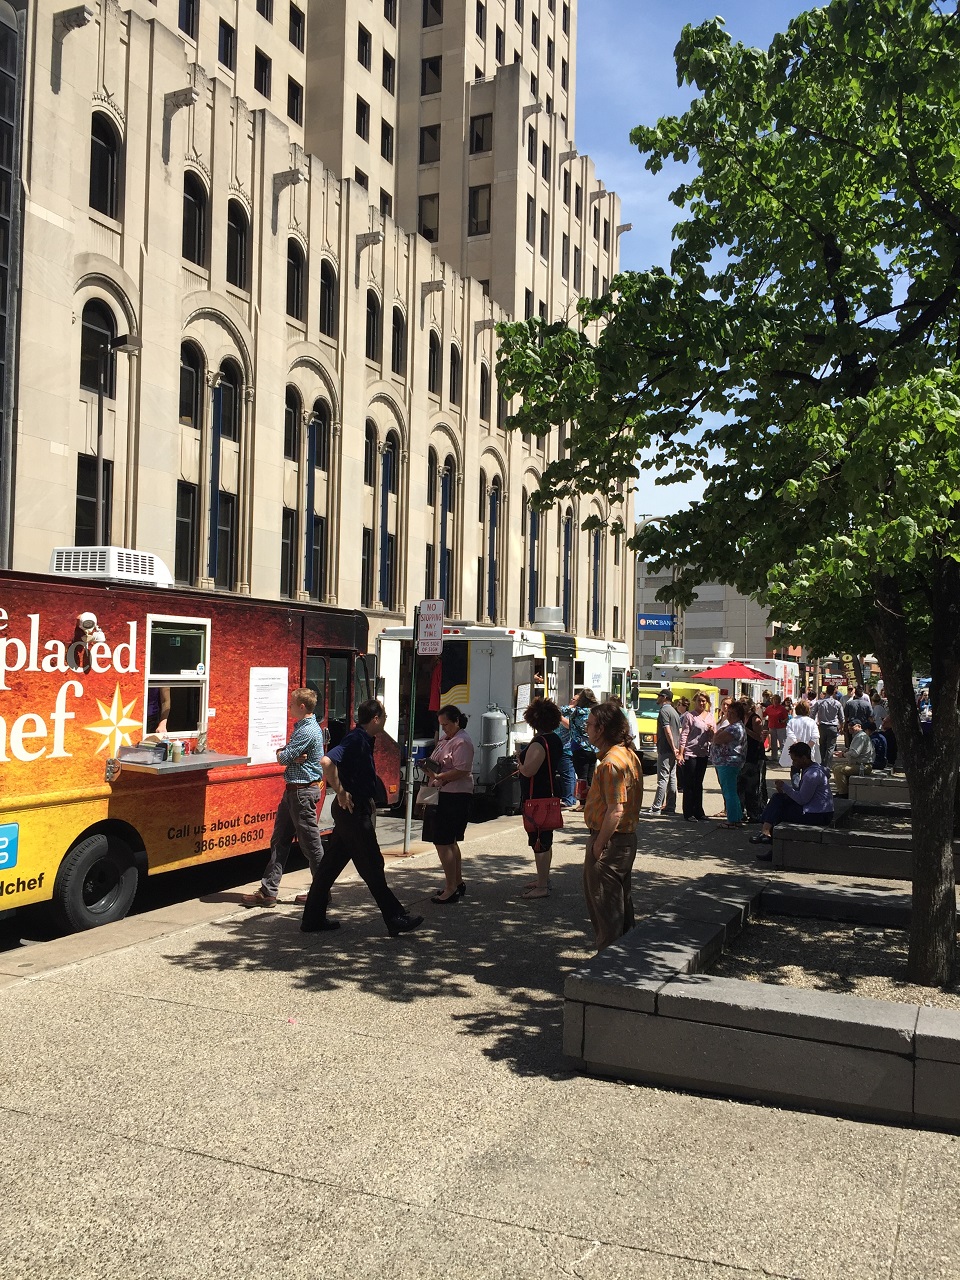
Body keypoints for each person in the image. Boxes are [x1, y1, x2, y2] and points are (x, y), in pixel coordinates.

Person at [300, 699, 423, 936]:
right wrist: (341, 791)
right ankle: (394, 917)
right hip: (353, 811)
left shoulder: (363, 739)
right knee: (372, 866)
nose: (385, 720)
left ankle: (312, 919)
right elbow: (327, 761)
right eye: (384, 717)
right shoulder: (355, 739)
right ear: (375, 719)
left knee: (329, 868)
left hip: (352, 811)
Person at [242, 688, 327, 907]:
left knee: (311, 845)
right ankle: (268, 892)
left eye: (291, 704)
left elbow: (284, 757)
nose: (288, 707)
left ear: (301, 707)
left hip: (302, 793)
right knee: (280, 840)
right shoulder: (302, 728)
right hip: (293, 791)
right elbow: (289, 755)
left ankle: (321, 892)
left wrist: (284, 754)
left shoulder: (307, 731)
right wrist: (288, 754)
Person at [582, 700, 644, 951]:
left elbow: (615, 810)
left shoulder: (611, 763)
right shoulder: (627, 754)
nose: (586, 728)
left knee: (606, 909)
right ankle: (623, 962)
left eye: (589, 724)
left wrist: (599, 845)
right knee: (620, 907)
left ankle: (606, 972)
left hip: (611, 841)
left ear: (602, 728)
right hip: (622, 840)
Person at [749, 741, 834, 857]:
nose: (793, 763)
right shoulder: (813, 769)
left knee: (779, 811)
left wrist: (785, 787)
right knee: (778, 798)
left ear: (804, 758)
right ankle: (767, 835)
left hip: (818, 814)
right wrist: (784, 791)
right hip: (816, 810)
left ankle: (771, 842)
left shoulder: (812, 775)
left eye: (795, 760)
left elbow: (802, 799)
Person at [516, 698, 565, 899]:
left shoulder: (539, 742)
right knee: (545, 839)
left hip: (537, 798)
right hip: (548, 795)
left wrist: (519, 761)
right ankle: (543, 878)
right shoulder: (555, 739)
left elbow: (529, 771)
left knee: (538, 841)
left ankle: (542, 885)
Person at [428, 704, 474, 904]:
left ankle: (451, 887)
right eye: (441, 725)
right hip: (444, 792)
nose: (444, 728)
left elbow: (462, 770)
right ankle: (456, 881)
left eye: (446, 724)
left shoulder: (462, 741)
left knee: (443, 841)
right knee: (449, 841)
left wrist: (440, 775)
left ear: (456, 721)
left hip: (455, 794)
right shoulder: (448, 738)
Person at [677, 691, 715, 821]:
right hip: (690, 752)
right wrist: (681, 753)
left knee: (698, 783)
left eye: (704, 701)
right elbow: (684, 735)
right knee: (689, 783)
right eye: (699, 701)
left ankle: (699, 811)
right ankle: (688, 812)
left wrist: (711, 731)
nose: (701, 703)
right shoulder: (689, 716)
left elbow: (712, 738)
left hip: (703, 753)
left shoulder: (710, 716)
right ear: (695, 702)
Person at [708, 700, 747, 827]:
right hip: (727, 763)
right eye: (728, 712)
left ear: (738, 715)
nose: (729, 715)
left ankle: (732, 820)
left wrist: (717, 732)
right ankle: (736, 817)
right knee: (731, 791)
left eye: (732, 713)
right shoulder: (733, 726)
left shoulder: (734, 728)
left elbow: (717, 739)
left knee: (729, 792)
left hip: (728, 763)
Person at [647, 688, 682, 816]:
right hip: (673, 749)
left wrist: (673, 747)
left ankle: (656, 807)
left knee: (662, 778)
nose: (658, 698)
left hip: (666, 749)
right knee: (672, 777)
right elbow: (679, 730)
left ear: (665, 698)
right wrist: (677, 749)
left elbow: (667, 730)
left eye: (660, 696)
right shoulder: (674, 712)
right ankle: (670, 806)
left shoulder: (664, 711)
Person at [563, 689, 599, 804]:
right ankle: (592, 800)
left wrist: (573, 704)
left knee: (581, 776)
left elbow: (562, 711)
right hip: (593, 747)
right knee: (591, 776)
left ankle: (583, 803)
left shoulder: (577, 712)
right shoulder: (595, 712)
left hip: (579, 747)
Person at [738, 701, 766, 822]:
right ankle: (743, 811)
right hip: (743, 755)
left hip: (755, 755)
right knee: (741, 785)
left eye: (745, 704)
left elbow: (759, 737)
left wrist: (746, 729)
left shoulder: (755, 719)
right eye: (741, 704)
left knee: (753, 786)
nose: (743, 706)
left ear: (751, 706)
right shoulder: (740, 718)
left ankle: (754, 813)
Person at [831, 720, 876, 796]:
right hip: (859, 764)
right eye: (849, 727)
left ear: (859, 726)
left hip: (863, 766)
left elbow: (855, 753)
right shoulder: (858, 736)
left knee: (839, 770)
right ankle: (843, 789)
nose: (850, 729)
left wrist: (843, 755)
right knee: (835, 766)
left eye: (852, 727)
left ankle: (843, 793)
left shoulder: (861, 737)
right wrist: (845, 751)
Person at [780, 699, 821, 766]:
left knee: (795, 767)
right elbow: (815, 736)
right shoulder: (811, 722)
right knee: (807, 767)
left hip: (795, 750)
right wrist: (807, 747)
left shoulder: (792, 721)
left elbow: (790, 734)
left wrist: (796, 744)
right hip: (808, 750)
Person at [811, 684, 844, 764]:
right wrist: (841, 728)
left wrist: (812, 725)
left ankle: (821, 764)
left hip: (822, 727)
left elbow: (812, 714)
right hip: (833, 727)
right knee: (830, 748)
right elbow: (842, 718)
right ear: (833, 692)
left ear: (826, 691)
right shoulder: (837, 703)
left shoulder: (819, 702)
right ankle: (827, 766)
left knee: (822, 746)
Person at [764, 694, 788, 762]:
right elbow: (764, 714)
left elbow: (786, 717)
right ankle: (774, 757)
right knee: (773, 743)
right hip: (772, 727)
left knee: (782, 742)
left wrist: (783, 721)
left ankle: (784, 757)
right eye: (774, 699)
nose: (775, 701)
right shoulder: (769, 708)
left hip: (781, 727)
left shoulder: (782, 708)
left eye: (777, 699)